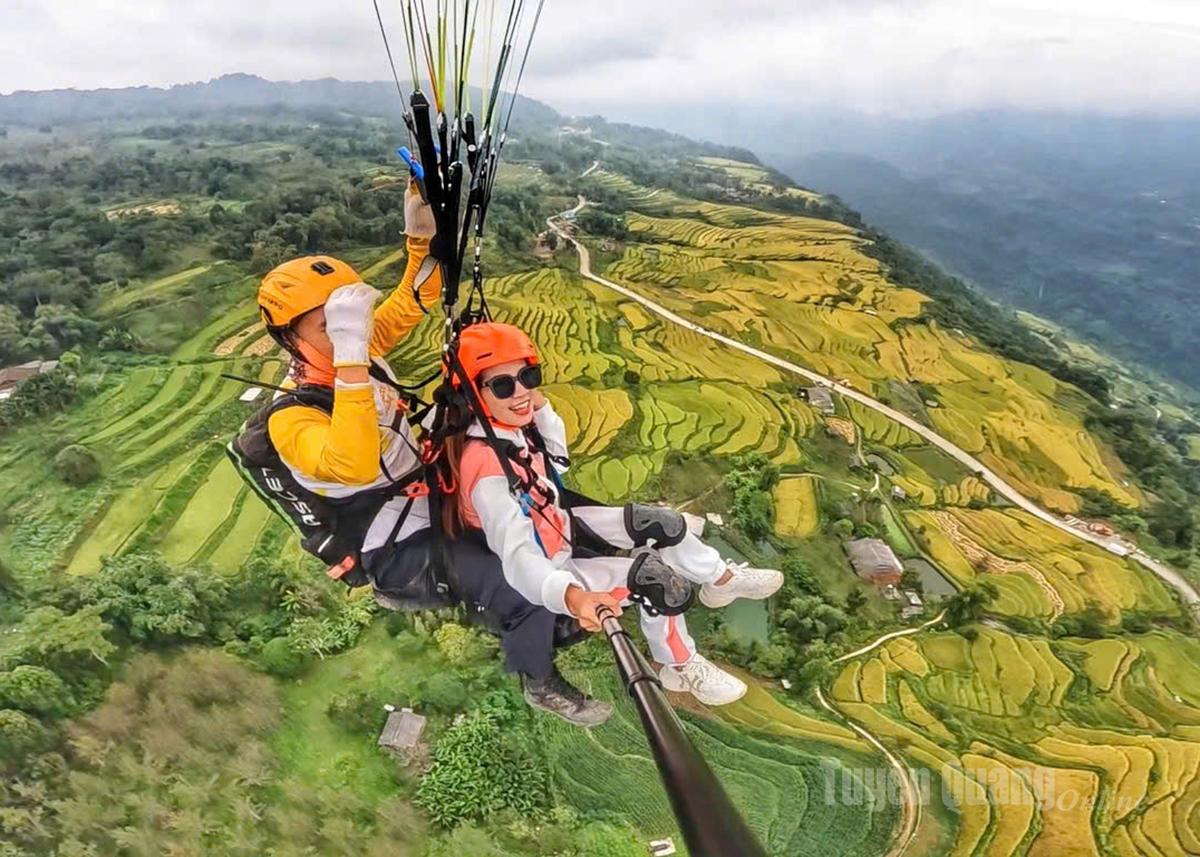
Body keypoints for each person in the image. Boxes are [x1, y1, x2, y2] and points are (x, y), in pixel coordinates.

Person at [254, 183, 611, 728]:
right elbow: (349, 462)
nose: (353, 332)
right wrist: (351, 356)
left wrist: (421, 240)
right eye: (328, 326)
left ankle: (574, 609)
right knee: (513, 584)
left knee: (557, 511)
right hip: (395, 542)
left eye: (347, 319)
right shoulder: (292, 416)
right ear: (290, 338)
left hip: (432, 493)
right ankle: (540, 681)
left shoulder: (363, 353)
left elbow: (417, 297)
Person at [442, 322, 785, 707]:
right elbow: (518, 557)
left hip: (561, 524)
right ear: (472, 395)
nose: (521, 390)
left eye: (528, 376)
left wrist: (540, 408)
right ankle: (679, 665)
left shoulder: (508, 428)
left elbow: (559, 463)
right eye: (503, 385)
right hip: (550, 566)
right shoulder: (486, 470)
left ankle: (720, 579)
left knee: (663, 524)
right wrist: (572, 597)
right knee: (658, 582)